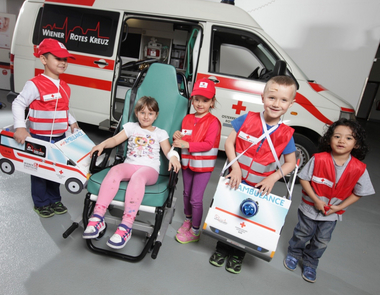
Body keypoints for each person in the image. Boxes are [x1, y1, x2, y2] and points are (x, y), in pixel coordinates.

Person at [209, 75, 298, 274]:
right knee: (228, 215)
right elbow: (229, 143)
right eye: (272, 98)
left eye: (283, 100)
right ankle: (221, 249)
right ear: (262, 97)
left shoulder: (286, 134)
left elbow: (291, 163)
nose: (276, 104)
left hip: (259, 188)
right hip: (235, 180)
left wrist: (273, 177)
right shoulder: (246, 119)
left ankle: (238, 255)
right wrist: (236, 168)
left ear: (291, 103)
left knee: (248, 222)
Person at [82, 96, 181, 250]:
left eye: (150, 113)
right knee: (114, 170)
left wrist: (174, 157)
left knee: (138, 177)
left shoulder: (160, 133)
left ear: (156, 115)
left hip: (149, 170)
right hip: (130, 164)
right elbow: (115, 140)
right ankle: (97, 217)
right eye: (142, 112)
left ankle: (126, 225)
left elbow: (168, 151)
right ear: (136, 113)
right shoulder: (131, 127)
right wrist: (102, 145)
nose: (146, 117)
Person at [284, 118, 375, 283]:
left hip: (332, 214)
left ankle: (311, 262)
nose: (342, 141)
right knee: (302, 234)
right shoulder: (319, 159)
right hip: (310, 209)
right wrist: (316, 200)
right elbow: (304, 179)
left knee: (321, 241)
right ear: (329, 139)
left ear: (356, 144)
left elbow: (360, 192)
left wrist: (339, 207)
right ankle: (294, 253)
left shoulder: (359, 168)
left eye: (349, 138)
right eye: (337, 136)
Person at [12, 38, 79, 218]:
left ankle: (54, 199)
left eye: (65, 59)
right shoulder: (35, 84)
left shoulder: (65, 86)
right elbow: (18, 104)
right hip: (39, 138)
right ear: (43, 59)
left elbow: (62, 109)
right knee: (39, 170)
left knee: (55, 170)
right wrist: (20, 127)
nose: (63, 63)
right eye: (58, 58)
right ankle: (41, 203)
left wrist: (72, 121)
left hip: (59, 138)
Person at [172, 78, 221, 244]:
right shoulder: (187, 118)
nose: (200, 104)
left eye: (205, 100)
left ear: (212, 102)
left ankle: (195, 230)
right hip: (187, 164)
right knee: (186, 194)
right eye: (197, 99)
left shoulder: (214, 122)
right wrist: (178, 136)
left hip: (203, 168)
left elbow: (207, 144)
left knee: (195, 199)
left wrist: (186, 143)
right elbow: (185, 136)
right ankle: (188, 219)